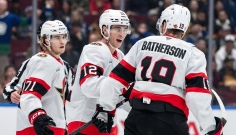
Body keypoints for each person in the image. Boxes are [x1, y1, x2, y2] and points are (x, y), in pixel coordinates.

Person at [93, 4, 224, 135]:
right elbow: (197, 95)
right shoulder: (193, 53)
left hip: (137, 118)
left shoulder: (142, 44)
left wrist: (105, 109)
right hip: (170, 121)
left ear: (165, 24)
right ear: (184, 29)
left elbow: (116, 79)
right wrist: (210, 127)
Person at [65, 9, 131, 135]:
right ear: (105, 30)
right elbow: (89, 85)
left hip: (104, 123)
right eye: (117, 29)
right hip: (84, 122)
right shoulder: (94, 49)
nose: (122, 34)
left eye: (124, 29)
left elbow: (123, 94)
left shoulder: (120, 56)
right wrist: (122, 86)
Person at [3, 20, 69, 135]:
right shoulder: (42, 61)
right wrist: (12, 93)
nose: (62, 41)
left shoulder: (64, 66)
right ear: (46, 40)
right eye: (57, 37)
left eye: (64, 37)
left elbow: (65, 98)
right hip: (37, 127)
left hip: (54, 126)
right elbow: (25, 93)